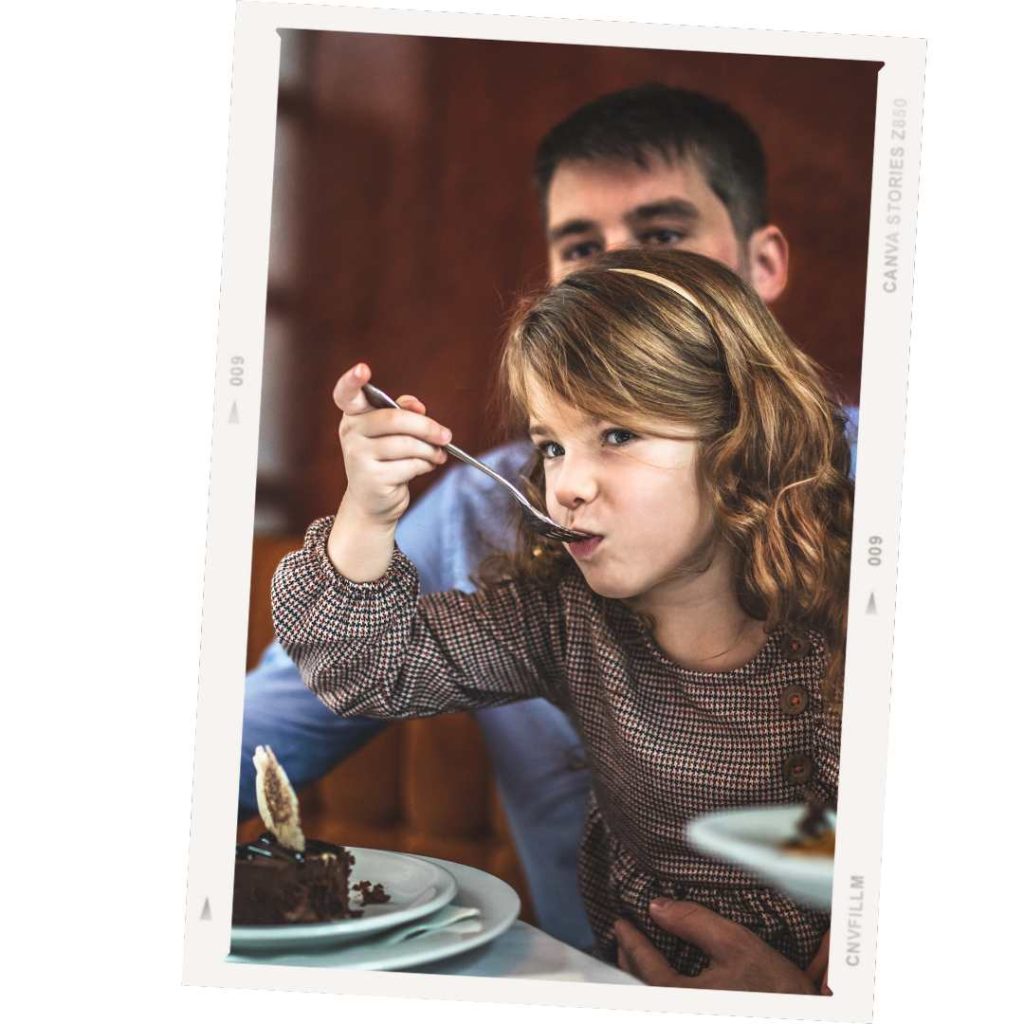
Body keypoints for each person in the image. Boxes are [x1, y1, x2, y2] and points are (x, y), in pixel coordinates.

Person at [241, 83, 857, 973]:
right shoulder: (562, 618)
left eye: (617, 434)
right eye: (550, 446)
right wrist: (368, 517)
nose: (564, 485)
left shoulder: (854, 595)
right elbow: (367, 668)